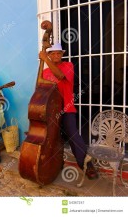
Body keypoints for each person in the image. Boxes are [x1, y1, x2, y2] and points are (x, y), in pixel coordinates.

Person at [39, 43, 98, 180]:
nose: (56, 55)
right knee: (50, 137)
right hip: (51, 110)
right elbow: (41, 91)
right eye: (52, 53)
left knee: (73, 135)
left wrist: (45, 59)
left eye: (58, 53)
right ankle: (50, 163)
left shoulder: (68, 66)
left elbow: (59, 76)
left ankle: (86, 164)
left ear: (62, 54)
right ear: (49, 54)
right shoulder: (45, 73)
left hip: (66, 107)